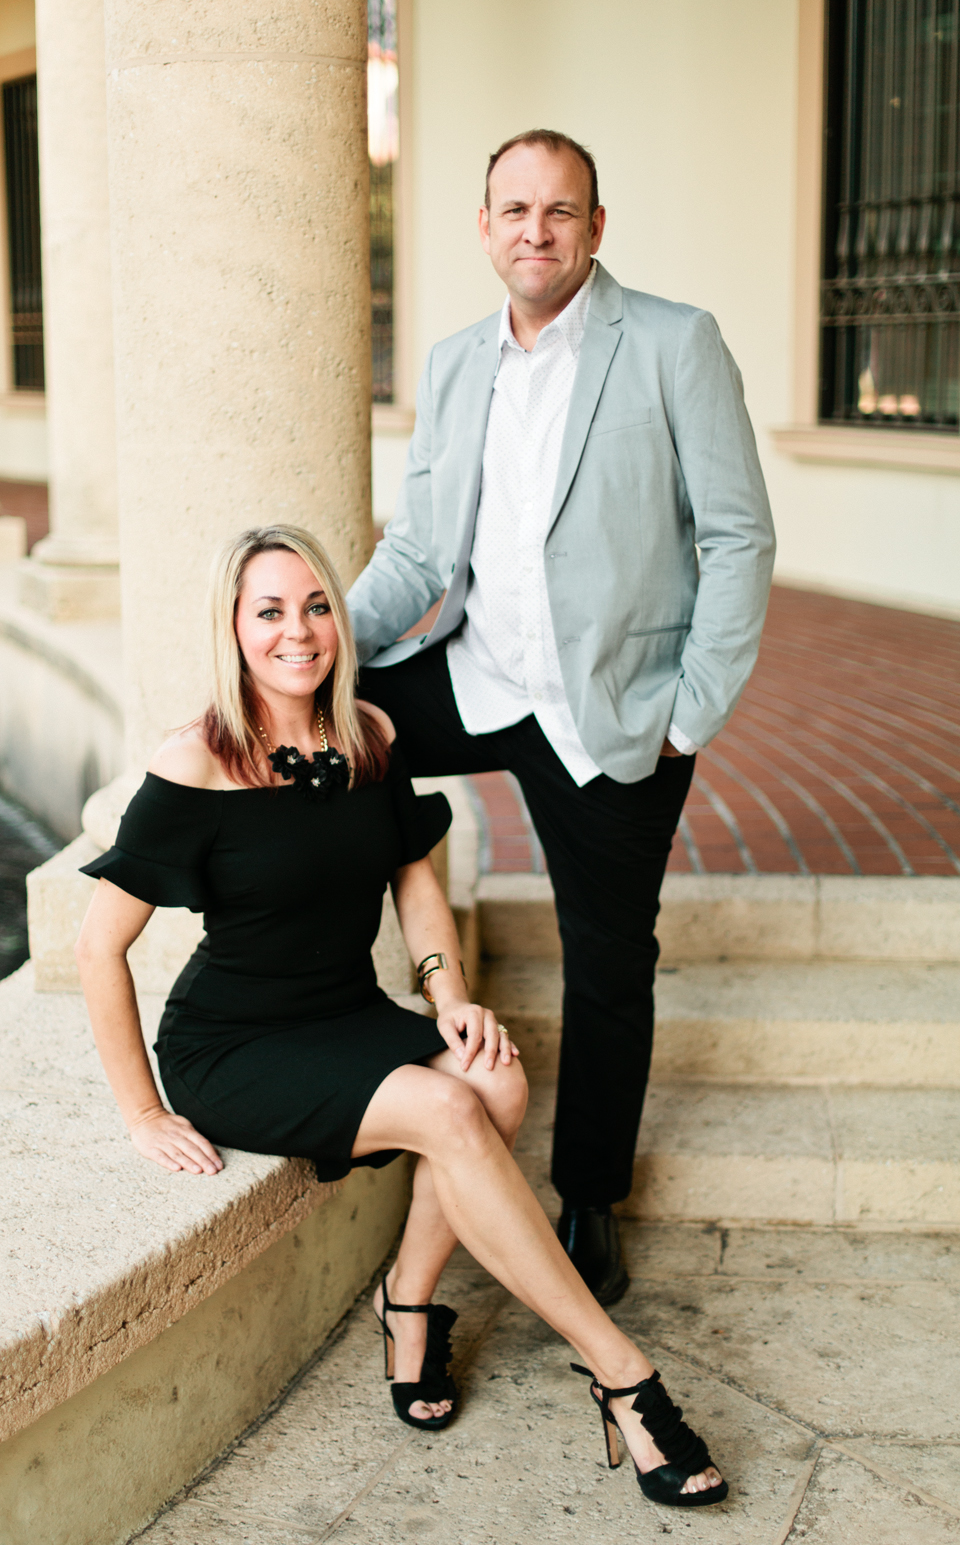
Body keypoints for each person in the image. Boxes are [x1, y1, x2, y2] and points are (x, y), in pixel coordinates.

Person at [75, 524, 728, 1510]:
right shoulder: (196, 763)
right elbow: (97, 946)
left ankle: (407, 1301)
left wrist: (451, 998)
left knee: (495, 1077)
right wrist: (141, 1112)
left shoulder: (370, 738)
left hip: (342, 1011)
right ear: (234, 629)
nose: (299, 631)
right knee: (453, 1112)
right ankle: (623, 1376)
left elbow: (413, 882)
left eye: (316, 606)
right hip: (236, 1043)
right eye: (270, 611)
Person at [348, 130, 776, 1304]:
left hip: (615, 715)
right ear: (484, 228)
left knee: (607, 960)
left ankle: (589, 1194)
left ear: (595, 226)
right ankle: (356, 985)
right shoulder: (450, 365)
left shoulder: (675, 345)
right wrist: (322, 652)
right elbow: (421, 550)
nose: (535, 230)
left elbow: (737, 536)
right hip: (484, 677)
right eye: (514, 209)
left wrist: (692, 712)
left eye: (560, 210)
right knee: (334, 737)